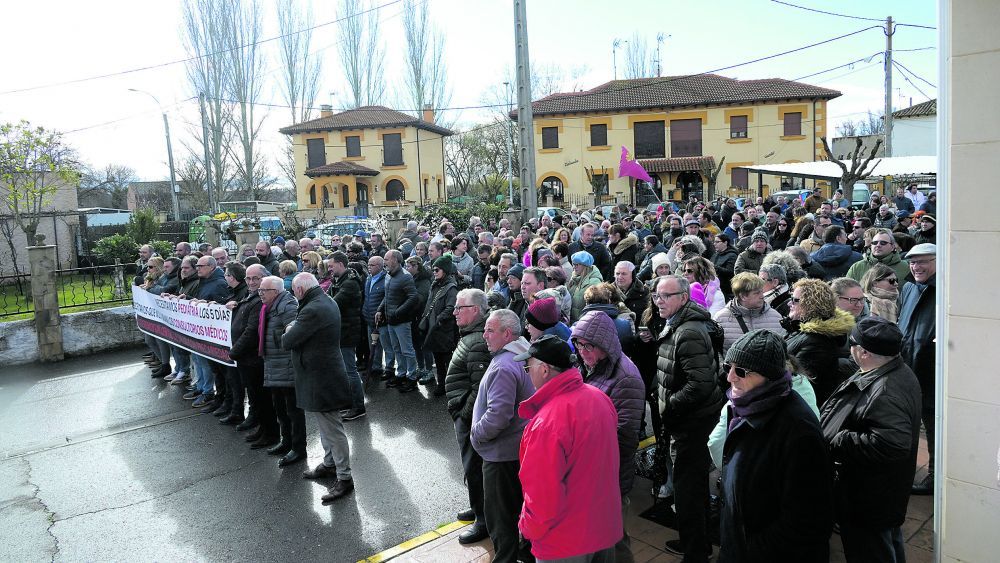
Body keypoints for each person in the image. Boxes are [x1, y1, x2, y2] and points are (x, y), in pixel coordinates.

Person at [716, 330, 833, 562]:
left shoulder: (799, 431)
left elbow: (807, 520)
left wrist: (750, 551)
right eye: (728, 366)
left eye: (741, 371)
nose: (730, 377)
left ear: (769, 376)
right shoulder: (744, 405)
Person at [820, 317, 922, 562]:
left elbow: (892, 444)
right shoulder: (893, 369)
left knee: (870, 551)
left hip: (869, 499)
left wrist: (840, 438)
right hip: (880, 495)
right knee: (887, 544)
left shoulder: (885, 390)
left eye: (851, 343)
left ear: (863, 352)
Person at [516, 335, 623, 562]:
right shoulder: (600, 399)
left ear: (544, 370)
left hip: (566, 541)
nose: (527, 372)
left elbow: (543, 496)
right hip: (604, 527)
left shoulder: (546, 422)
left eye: (529, 366)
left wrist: (526, 528)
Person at [653, 275, 725, 561]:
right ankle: (696, 543)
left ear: (684, 298)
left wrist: (670, 405)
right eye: (657, 295)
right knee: (689, 487)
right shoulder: (678, 324)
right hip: (687, 421)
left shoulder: (690, 331)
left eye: (666, 296)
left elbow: (701, 384)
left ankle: (696, 551)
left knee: (689, 490)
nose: (659, 301)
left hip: (692, 424)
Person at [570, 311, 644, 561]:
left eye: (589, 345)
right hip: (591, 471)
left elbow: (624, 436)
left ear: (606, 344)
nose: (583, 351)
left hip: (609, 475)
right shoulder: (591, 366)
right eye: (579, 344)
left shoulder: (626, 377)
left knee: (613, 540)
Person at [280, 273, 355, 500]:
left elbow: (288, 340)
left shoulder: (313, 308)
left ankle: (344, 477)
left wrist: (289, 328)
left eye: (294, 291)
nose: (294, 295)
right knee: (326, 426)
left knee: (332, 429)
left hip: (323, 377)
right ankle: (330, 464)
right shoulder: (323, 300)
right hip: (321, 374)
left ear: (300, 290)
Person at [473, 309, 535, 563]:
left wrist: (476, 434)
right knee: (519, 509)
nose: (484, 335)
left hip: (501, 456)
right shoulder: (523, 354)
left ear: (507, 334)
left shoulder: (504, 366)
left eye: (490, 330)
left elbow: (498, 416)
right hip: (518, 450)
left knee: (500, 518)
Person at [444, 289, 493, 543]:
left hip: (470, 418)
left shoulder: (477, 341)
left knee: (474, 467)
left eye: (459, 308)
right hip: (465, 415)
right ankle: (477, 508)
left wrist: (463, 414)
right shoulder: (472, 335)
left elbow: (480, 387)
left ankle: (483, 520)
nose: (454, 312)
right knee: (469, 466)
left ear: (475, 310)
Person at [897, 243, 937, 495]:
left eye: (923, 261)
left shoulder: (945, 290)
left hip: (931, 371)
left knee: (933, 427)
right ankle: (905, 471)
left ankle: (935, 475)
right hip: (907, 367)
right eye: (912, 262)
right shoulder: (909, 287)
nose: (916, 266)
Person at [782, 278, 856, 406]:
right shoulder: (802, 331)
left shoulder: (817, 342)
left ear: (810, 305)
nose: (789, 304)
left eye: (794, 300)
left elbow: (800, 386)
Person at [257, 276, 305, 466]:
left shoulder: (287, 307)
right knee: (280, 408)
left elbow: (293, 336)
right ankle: (286, 442)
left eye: (263, 290)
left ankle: (298, 448)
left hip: (286, 366)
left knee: (293, 410)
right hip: (273, 364)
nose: (260, 293)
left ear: (275, 292)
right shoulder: (268, 307)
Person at [326, 252, 367, 420]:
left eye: (331, 265)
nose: (329, 269)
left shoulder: (349, 283)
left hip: (348, 331)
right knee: (345, 370)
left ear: (341, 264)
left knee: (350, 371)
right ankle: (350, 403)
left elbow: (333, 303)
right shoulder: (340, 280)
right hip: (342, 330)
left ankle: (358, 407)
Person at [713, 272, 786, 356]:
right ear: (743, 296)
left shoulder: (776, 317)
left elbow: (783, 352)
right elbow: (716, 353)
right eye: (757, 293)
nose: (762, 296)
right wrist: (726, 369)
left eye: (762, 291)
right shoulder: (721, 319)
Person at [377, 250, 420, 391]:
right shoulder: (389, 276)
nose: (385, 262)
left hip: (402, 321)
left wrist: (397, 311)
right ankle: (401, 374)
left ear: (395, 260)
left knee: (407, 350)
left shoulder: (405, 277)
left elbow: (413, 297)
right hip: (391, 320)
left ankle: (412, 378)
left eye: (386, 259)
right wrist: (380, 309)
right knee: (397, 349)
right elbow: (387, 296)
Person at [421, 255, 459, 396]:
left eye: (437, 270)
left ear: (445, 271)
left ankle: (451, 388)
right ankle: (441, 385)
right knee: (438, 361)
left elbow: (451, 308)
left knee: (447, 362)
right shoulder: (435, 285)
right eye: (433, 270)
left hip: (445, 331)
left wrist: (439, 319)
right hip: (434, 330)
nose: (434, 272)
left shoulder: (451, 288)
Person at [363, 256, 393, 379]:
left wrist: (381, 312)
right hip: (370, 318)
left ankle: (390, 369)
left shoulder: (386, 278)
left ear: (380, 266)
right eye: (368, 265)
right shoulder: (369, 278)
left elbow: (388, 298)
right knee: (373, 345)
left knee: (387, 346)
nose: (369, 267)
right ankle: (376, 367)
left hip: (382, 319)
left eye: (372, 265)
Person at [846, 228, 910, 283]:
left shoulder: (906, 267)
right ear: (871, 246)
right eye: (875, 243)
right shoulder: (857, 267)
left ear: (893, 247)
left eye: (883, 243)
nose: (878, 245)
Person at [567, 251, 604, 322]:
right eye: (573, 264)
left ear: (585, 265)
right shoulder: (575, 278)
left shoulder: (594, 282)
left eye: (577, 264)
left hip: (585, 324)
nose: (574, 267)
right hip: (573, 324)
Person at [711, 234, 739, 300]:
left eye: (717, 242)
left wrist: (715, 268)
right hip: (714, 286)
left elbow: (731, 272)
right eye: (714, 242)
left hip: (726, 289)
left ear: (725, 243)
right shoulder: (715, 254)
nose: (714, 244)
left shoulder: (732, 255)